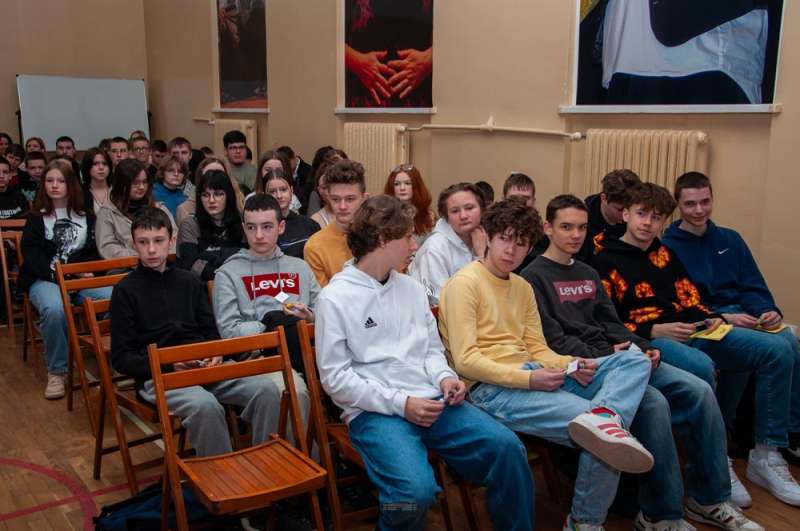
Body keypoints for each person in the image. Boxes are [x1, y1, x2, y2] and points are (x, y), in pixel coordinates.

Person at [522, 194, 762, 530]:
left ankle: (709, 498)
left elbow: (612, 323)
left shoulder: (587, 271)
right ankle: (660, 515)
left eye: (581, 227)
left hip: (624, 358)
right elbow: (552, 340)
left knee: (699, 390)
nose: (575, 235)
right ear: (548, 228)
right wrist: (610, 355)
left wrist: (643, 347)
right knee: (654, 404)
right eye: (566, 227)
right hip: (588, 368)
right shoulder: (532, 277)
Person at [315, 194, 534, 530]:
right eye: (407, 237)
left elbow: (431, 350)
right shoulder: (335, 298)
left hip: (432, 400)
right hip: (375, 412)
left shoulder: (411, 288)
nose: (415, 245)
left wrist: (445, 377)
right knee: (412, 494)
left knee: (507, 449)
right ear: (382, 240)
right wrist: (401, 404)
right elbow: (336, 380)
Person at [438, 197, 654, 531]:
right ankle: (585, 521)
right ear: (489, 237)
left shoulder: (522, 286)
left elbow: (538, 348)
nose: (511, 250)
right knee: (601, 433)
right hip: (492, 389)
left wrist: (572, 363)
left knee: (632, 359)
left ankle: (605, 418)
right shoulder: (464, 284)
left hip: (535, 373)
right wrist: (530, 380)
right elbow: (466, 362)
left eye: (521, 243)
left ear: (529, 248)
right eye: (505, 239)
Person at [593, 182, 800, 507]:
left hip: (695, 329)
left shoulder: (664, 253)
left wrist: (711, 317)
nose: (648, 223)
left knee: (778, 349)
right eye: (642, 214)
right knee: (701, 367)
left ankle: (766, 453)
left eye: (656, 217)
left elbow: (689, 296)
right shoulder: (604, 260)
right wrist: (654, 329)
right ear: (626, 214)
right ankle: (714, 462)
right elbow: (607, 321)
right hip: (652, 338)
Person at [110, 207, 284, 458]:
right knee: (205, 406)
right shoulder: (125, 291)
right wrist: (170, 365)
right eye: (143, 242)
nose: (151, 250)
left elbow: (211, 332)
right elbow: (122, 359)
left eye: (158, 241)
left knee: (267, 390)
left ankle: (267, 462)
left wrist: (215, 353)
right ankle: (223, 477)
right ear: (134, 244)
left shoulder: (189, 281)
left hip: (204, 365)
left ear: (171, 241)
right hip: (159, 375)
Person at [664, 171, 800, 464]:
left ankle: (788, 435)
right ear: (678, 205)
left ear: (713, 199)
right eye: (690, 204)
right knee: (777, 349)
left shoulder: (730, 239)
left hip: (742, 315)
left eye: (705, 202)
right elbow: (681, 304)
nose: (699, 210)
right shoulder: (668, 247)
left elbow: (752, 285)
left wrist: (768, 311)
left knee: (791, 339)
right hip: (708, 323)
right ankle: (763, 446)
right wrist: (725, 317)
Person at [212, 193, 313, 434]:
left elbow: (323, 314)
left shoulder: (300, 267)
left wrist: (308, 316)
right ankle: (294, 455)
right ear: (243, 229)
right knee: (294, 391)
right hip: (257, 358)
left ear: (281, 227)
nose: (258, 235)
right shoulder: (228, 273)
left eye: (267, 227)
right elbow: (228, 332)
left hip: (304, 352)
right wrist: (270, 322)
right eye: (251, 227)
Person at [18, 160, 111, 399]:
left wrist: (87, 271)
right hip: (45, 280)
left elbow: (93, 252)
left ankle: (116, 360)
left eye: (60, 181)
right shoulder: (36, 218)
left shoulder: (87, 216)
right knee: (55, 309)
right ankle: (57, 372)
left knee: (117, 297)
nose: (54, 185)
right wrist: (59, 276)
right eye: (49, 181)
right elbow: (32, 257)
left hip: (78, 282)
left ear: (71, 184)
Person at [409, 182, 485, 304]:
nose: (463, 216)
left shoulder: (488, 237)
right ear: (446, 217)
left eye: (469, 208)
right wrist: (480, 258)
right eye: (455, 211)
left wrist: (481, 253)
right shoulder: (434, 248)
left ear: (482, 210)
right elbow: (438, 301)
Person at [304, 159, 368, 287]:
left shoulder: (379, 237)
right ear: (328, 198)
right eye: (335, 199)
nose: (342, 206)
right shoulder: (315, 246)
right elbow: (323, 297)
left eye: (350, 199)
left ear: (364, 199)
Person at [96, 158, 176, 259]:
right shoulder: (107, 212)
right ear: (122, 184)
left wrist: (159, 255)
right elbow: (107, 248)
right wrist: (142, 256)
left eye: (144, 182)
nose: (141, 187)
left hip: (162, 263)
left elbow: (175, 238)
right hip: (126, 265)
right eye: (135, 182)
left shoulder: (159, 208)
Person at [176, 169, 244, 281]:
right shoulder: (190, 224)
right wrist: (226, 275)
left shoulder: (242, 222)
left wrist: (208, 258)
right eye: (205, 195)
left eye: (218, 194)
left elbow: (248, 259)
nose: (211, 200)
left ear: (229, 196)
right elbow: (190, 265)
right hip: (202, 286)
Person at [578, 168, 641, 263]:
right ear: (604, 198)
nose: (626, 216)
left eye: (630, 209)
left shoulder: (638, 218)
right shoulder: (581, 222)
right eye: (620, 210)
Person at [261, 167, 320, 258]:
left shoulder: (309, 225)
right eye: (272, 192)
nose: (279, 196)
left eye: (283, 189)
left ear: (291, 191)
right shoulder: (260, 229)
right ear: (264, 195)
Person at [502, 172, 549, 273]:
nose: (519, 203)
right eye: (513, 198)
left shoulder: (544, 240)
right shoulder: (492, 232)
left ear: (533, 202)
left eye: (525, 199)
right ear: (503, 200)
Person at [383, 163, 434, 244]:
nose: (402, 188)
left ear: (416, 186)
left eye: (407, 183)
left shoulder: (428, 215)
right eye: (397, 184)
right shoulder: (384, 215)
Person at [80, 148, 112, 214]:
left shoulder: (117, 190)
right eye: (95, 164)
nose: (101, 167)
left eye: (105, 163)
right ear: (87, 167)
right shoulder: (80, 193)